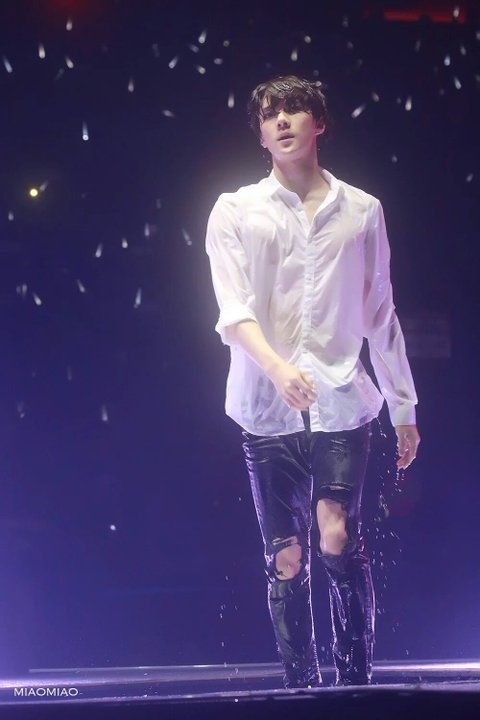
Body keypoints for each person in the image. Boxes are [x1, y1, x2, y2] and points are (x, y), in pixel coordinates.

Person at [204, 75, 420, 689]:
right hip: (264, 403)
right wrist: (276, 368)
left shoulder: (362, 210)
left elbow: (380, 312)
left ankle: (355, 684)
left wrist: (403, 406)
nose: (282, 120)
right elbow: (233, 311)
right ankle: (300, 687)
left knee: (336, 536)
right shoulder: (234, 210)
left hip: (341, 398)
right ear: (260, 134)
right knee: (286, 557)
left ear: (319, 123)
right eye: (270, 113)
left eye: (295, 109)